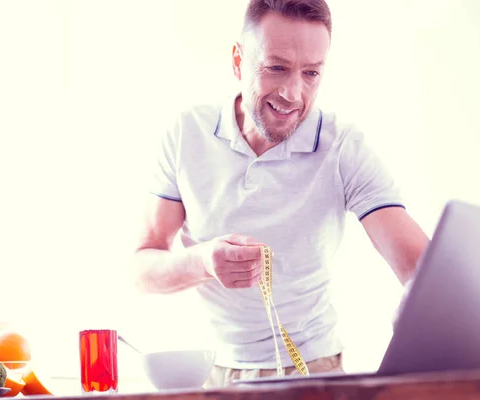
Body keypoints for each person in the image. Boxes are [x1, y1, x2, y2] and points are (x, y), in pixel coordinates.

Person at [131, 0, 430, 388]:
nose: (293, 93)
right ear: (238, 61)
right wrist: (204, 262)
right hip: (214, 375)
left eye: (311, 74)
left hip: (315, 369)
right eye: (276, 68)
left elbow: (418, 267)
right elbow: (142, 268)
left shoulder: (342, 147)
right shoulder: (187, 133)